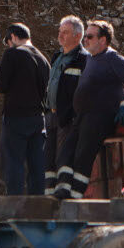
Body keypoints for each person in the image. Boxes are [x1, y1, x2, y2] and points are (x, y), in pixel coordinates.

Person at [52, 20, 124, 199]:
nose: (85, 40)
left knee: (82, 155)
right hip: (83, 116)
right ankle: (63, 190)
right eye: (85, 36)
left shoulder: (111, 58)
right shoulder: (91, 59)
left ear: (103, 40)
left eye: (90, 36)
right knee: (66, 152)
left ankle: (75, 195)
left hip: (99, 117)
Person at [0, 22, 50, 196]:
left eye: (8, 41)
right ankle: (37, 207)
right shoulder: (43, 59)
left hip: (15, 119)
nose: (9, 45)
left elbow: (2, 86)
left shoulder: (13, 54)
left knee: (14, 164)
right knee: (37, 167)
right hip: (38, 120)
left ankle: (15, 208)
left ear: (14, 37)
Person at [44, 15, 88, 193]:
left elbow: (83, 91)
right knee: (48, 158)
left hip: (68, 116)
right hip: (51, 114)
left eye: (65, 32)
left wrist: (73, 113)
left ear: (77, 36)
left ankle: (63, 191)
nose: (60, 36)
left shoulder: (83, 59)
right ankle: (49, 192)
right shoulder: (57, 57)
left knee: (64, 156)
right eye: (60, 32)